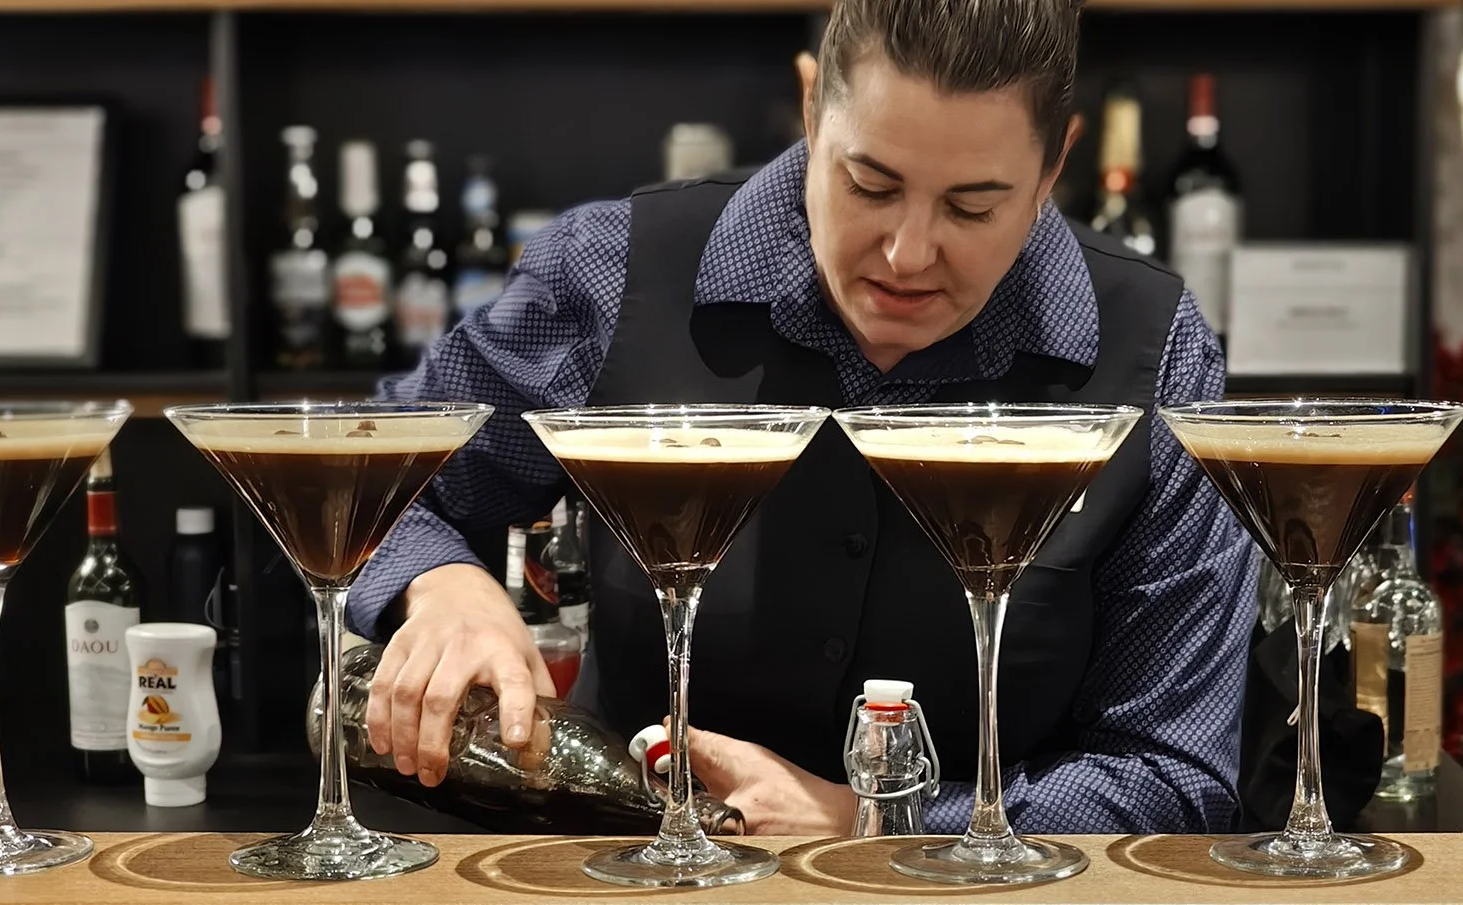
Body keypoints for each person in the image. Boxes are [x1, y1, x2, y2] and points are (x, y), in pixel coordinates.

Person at [348, 0, 1258, 837]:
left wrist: (876, 819)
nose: (908, 253)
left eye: (973, 206)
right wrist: (442, 587)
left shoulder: (1155, 352)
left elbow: (1176, 773)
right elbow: (369, 479)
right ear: (814, 103)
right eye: (870, 183)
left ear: (1056, 163)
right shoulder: (615, 273)